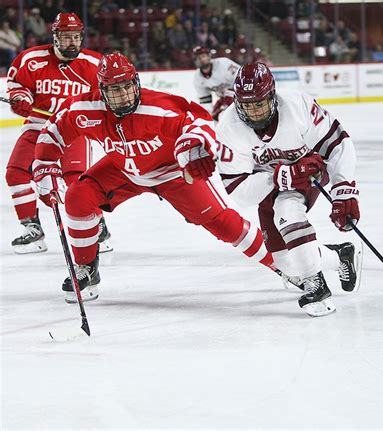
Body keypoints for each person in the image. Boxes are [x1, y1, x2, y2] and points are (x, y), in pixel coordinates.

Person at [33, 52, 274, 304]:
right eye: (115, 90)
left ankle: (282, 264)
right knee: (77, 196)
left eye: (127, 87)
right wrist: (44, 163)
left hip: (170, 172)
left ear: (136, 83)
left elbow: (197, 119)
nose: (124, 95)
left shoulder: (157, 108)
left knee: (223, 223)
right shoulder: (85, 108)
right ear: (102, 91)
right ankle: (86, 269)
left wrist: (193, 144)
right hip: (122, 169)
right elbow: (55, 130)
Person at [215, 62, 362, 317]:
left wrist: (344, 189)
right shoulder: (228, 128)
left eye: (259, 103)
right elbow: (239, 190)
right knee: (285, 264)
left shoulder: (297, 106)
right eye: (247, 105)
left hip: (311, 169)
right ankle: (339, 255)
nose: (254, 112)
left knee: (287, 208)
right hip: (269, 183)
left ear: (272, 95)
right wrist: (280, 177)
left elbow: (338, 144)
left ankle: (318, 288)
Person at [5, 12, 112, 254]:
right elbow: (18, 86)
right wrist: (20, 99)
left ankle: (98, 227)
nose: (72, 42)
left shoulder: (95, 64)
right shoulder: (32, 58)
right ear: (55, 37)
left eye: (76, 36)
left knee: (76, 182)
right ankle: (32, 229)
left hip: (73, 130)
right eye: (66, 37)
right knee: (16, 173)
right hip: (37, 125)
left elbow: (104, 99)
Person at [192, 46, 240, 122]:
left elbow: (242, 78)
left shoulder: (224, 63)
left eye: (203, 56)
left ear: (209, 56)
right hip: (224, 100)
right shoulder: (197, 78)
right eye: (199, 58)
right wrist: (207, 115)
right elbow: (205, 101)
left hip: (240, 96)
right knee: (213, 119)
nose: (202, 59)